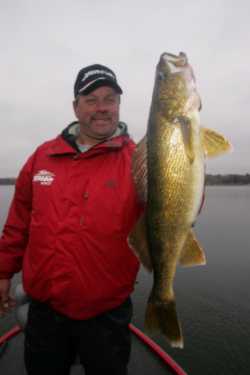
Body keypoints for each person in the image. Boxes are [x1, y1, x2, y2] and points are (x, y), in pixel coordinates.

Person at [0, 64, 143, 375]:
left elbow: (176, 211)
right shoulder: (42, 157)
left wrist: (184, 160)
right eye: (91, 99)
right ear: (75, 106)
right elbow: (18, 223)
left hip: (107, 313)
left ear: (119, 105)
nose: (102, 108)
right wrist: (3, 272)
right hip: (45, 311)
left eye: (110, 99)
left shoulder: (140, 160)